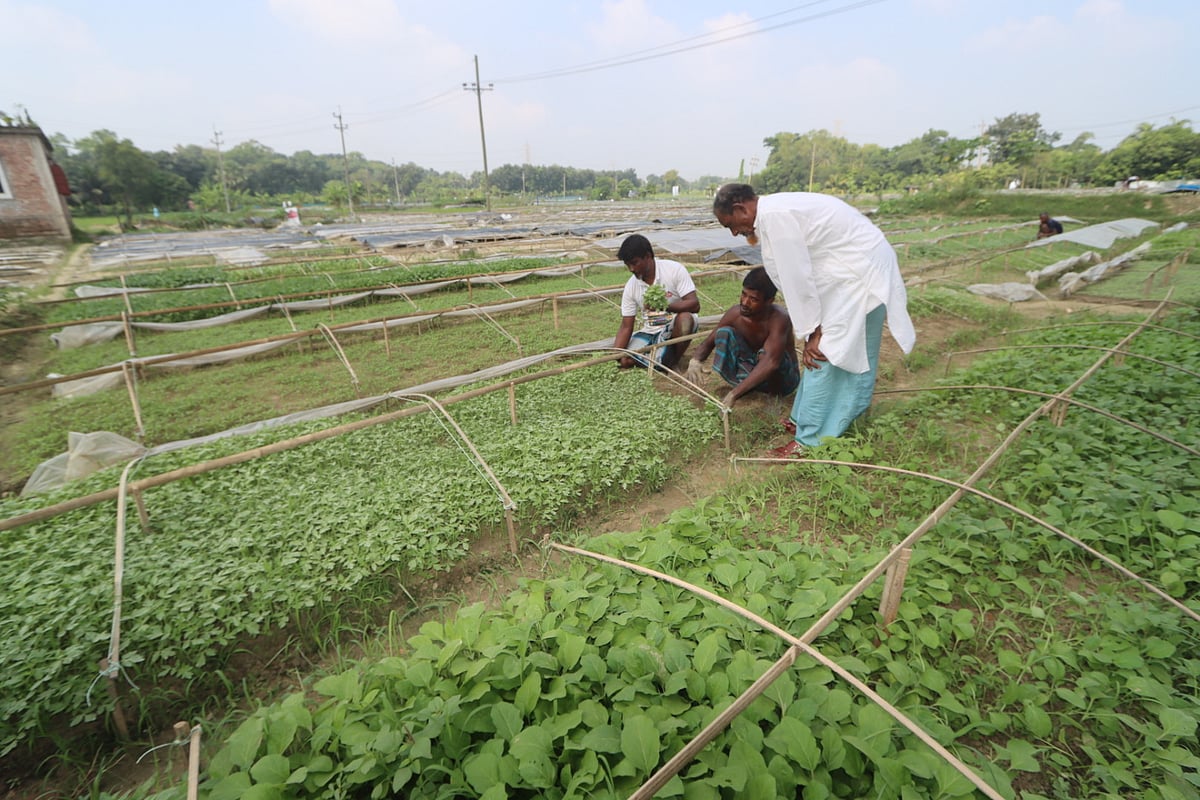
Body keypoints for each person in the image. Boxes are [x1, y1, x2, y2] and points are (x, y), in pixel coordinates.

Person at [712, 183, 916, 457]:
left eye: (731, 225)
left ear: (740, 209)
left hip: (859, 276)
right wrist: (813, 328)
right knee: (832, 351)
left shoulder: (775, 217)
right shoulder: (771, 214)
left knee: (823, 353)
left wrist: (813, 331)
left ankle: (810, 440)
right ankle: (803, 421)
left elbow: (798, 278)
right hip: (845, 275)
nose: (735, 232)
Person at [686, 266, 800, 406]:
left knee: (767, 356)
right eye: (744, 294)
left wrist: (734, 393)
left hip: (784, 380)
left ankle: (770, 396)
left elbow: (771, 362)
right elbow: (709, 342)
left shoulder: (779, 319)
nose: (745, 302)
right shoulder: (735, 314)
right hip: (752, 368)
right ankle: (746, 385)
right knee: (724, 333)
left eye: (753, 299)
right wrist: (695, 360)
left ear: (769, 301)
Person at [613, 233, 699, 370]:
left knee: (685, 319)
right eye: (627, 265)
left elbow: (694, 305)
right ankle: (660, 358)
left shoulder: (674, 270)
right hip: (650, 331)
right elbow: (626, 326)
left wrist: (664, 306)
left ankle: (672, 361)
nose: (631, 269)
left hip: (673, 326)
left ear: (647, 256)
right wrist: (615, 355)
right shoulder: (631, 286)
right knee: (625, 360)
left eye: (634, 263)